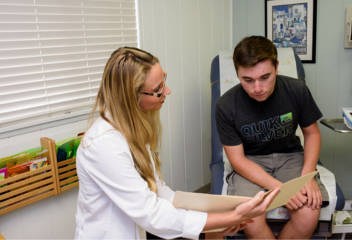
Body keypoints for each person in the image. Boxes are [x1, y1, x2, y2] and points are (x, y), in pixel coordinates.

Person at [74, 46, 280, 239]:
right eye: (158, 89)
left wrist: (217, 217)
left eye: (164, 80)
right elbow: (152, 214)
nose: (167, 91)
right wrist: (229, 218)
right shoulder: (104, 145)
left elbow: (160, 192)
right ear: (130, 97)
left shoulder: (133, 130)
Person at [215, 36, 329, 239]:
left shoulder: (296, 90)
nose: (257, 88)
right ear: (237, 74)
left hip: (290, 156)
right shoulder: (226, 105)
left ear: (277, 67)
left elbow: (312, 134)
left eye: (265, 77)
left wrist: (307, 177)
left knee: (308, 213)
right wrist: (282, 189)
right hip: (250, 162)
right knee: (250, 218)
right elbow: (237, 160)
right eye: (247, 80)